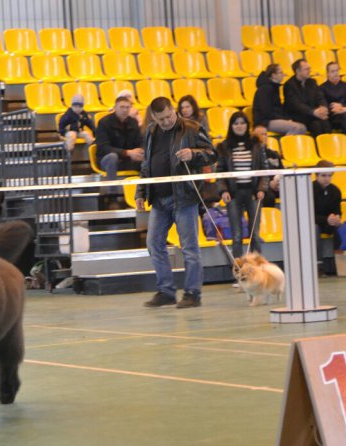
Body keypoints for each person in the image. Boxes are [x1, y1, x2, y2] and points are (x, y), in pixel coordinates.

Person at [135, 97, 217, 308]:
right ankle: (166, 291)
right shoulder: (151, 132)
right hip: (159, 199)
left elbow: (212, 154)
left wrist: (193, 154)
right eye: (160, 119)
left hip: (184, 197)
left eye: (168, 116)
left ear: (174, 110)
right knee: (154, 244)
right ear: (154, 118)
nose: (166, 122)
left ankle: (193, 293)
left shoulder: (192, 128)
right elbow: (146, 165)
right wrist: (140, 192)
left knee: (189, 248)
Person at [215, 112, 268, 259]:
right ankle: (238, 270)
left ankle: (257, 268)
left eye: (242, 123)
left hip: (253, 193)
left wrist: (262, 189)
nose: (239, 126)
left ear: (247, 125)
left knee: (255, 235)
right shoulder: (224, 146)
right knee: (237, 236)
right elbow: (220, 172)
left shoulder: (257, 145)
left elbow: (264, 170)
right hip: (233, 195)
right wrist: (223, 191)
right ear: (231, 126)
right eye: (236, 123)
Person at [95, 94, 144, 202]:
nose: (125, 110)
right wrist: (127, 153)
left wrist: (140, 151)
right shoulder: (104, 122)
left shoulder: (133, 122)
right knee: (112, 157)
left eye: (127, 107)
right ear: (115, 107)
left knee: (147, 157)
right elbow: (103, 147)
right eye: (122, 107)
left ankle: (144, 195)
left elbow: (140, 141)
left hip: (127, 159)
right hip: (106, 160)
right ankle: (112, 198)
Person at [252, 63, 307, 136]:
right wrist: (284, 119)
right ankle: (287, 143)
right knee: (296, 127)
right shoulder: (265, 89)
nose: (283, 74)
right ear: (274, 75)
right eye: (281, 72)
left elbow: (277, 109)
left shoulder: (274, 87)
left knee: (303, 127)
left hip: (272, 119)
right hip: (265, 121)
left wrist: (286, 118)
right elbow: (266, 112)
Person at [283, 58, 331, 137]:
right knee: (317, 125)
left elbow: (320, 97)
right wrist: (313, 112)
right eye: (306, 69)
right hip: (298, 115)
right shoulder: (289, 85)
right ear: (298, 71)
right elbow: (296, 105)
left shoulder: (312, 82)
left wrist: (324, 107)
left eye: (309, 68)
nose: (309, 71)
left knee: (326, 123)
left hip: (313, 114)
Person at [313, 160, 343, 254]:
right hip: (315, 222)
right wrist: (326, 219)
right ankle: (317, 260)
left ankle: (340, 258)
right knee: (314, 228)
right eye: (323, 175)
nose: (327, 179)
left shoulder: (335, 191)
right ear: (316, 175)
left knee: (340, 227)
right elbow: (307, 215)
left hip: (328, 222)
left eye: (329, 176)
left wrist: (336, 218)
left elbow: (337, 210)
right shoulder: (309, 189)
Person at [319, 61, 346, 136]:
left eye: (337, 70)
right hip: (331, 116)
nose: (336, 73)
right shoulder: (322, 87)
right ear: (327, 74)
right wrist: (335, 108)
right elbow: (323, 105)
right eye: (332, 71)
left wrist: (343, 107)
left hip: (345, 113)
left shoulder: (345, 85)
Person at [252, 125, 284, 208]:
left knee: (293, 190)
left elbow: (283, 171)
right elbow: (253, 177)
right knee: (268, 197)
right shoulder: (251, 155)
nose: (265, 137)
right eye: (261, 134)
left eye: (266, 134)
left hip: (277, 185)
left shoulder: (274, 154)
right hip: (259, 187)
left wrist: (279, 181)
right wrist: (269, 184)